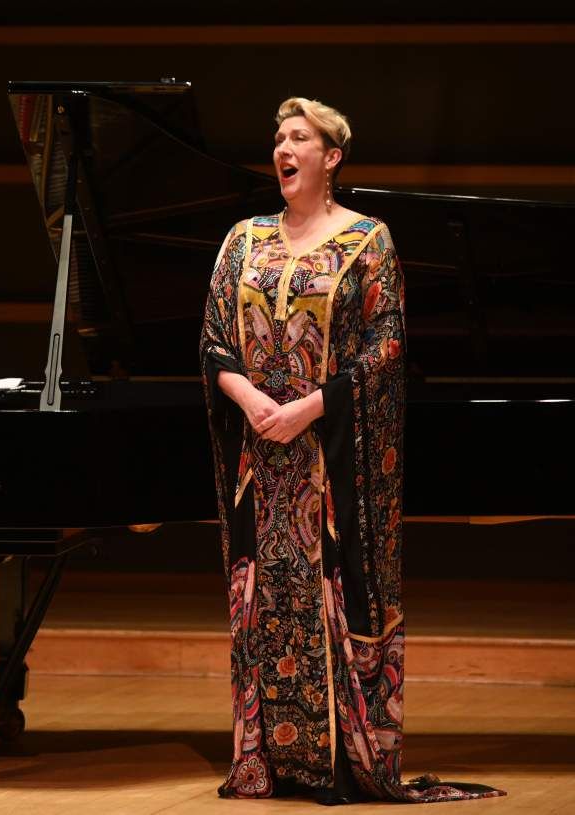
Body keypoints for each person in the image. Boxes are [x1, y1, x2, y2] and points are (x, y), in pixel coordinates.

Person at [200, 98, 502, 803]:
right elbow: (214, 336)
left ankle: (341, 760)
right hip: (261, 463)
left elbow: (385, 349)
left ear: (330, 157)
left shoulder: (368, 243)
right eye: (278, 137)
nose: (283, 146)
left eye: (298, 137)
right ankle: (268, 759)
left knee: (331, 600)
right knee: (263, 606)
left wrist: (309, 408)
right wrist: (251, 401)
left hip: (327, 465)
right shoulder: (241, 240)